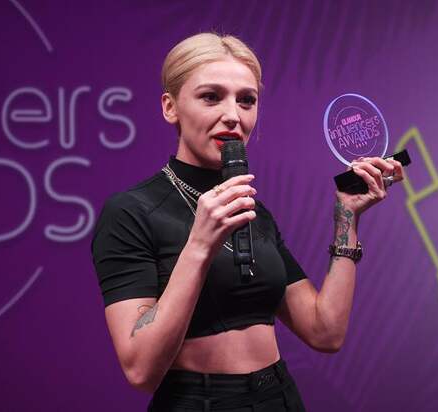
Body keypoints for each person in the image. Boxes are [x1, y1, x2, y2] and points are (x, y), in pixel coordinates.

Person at [91, 32, 404, 412]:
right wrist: (199, 244)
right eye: (211, 97)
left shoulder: (255, 211)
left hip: (280, 397)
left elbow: (325, 331)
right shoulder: (131, 211)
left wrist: (347, 216)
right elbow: (140, 369)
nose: (233, 115)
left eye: (246, 100)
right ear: (170, 107)